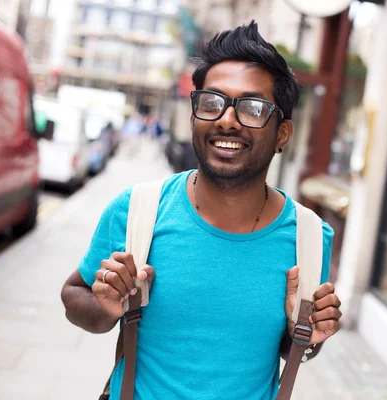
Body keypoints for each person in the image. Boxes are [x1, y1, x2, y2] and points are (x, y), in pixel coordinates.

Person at [60, 21, 342, 400]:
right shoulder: (138, 210)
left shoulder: (308, 238)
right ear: (194, 117)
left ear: (282, 134)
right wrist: (104, 306)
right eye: (212, 102)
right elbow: (74, 296)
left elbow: (294, 344)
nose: (227, 119)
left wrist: (304, 333)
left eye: (253, 108)